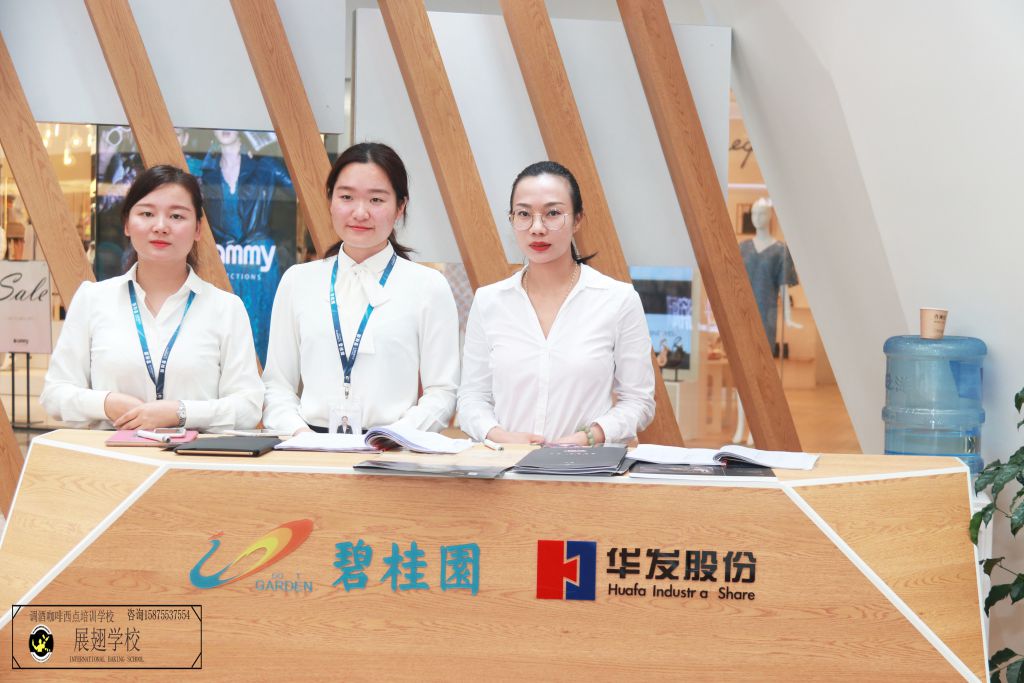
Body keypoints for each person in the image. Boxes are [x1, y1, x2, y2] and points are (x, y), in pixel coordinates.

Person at [40, 165, 264, 431]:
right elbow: (54, 395)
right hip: (110, 453)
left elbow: (248, 407)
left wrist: (181, 412)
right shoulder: (93, 299)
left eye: (176, 216)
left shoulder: (226, 308)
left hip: (196, 455)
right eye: (147, 213)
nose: (160, 227)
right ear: (127, 223)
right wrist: (107, 403)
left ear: (198, 229)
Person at [262, 142, 459, 435]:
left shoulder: (428, 286)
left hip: (393, 447)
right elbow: (276, 386)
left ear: (400, 207)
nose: (360, 212)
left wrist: (396, 436)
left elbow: (442, 391)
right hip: (309, 446)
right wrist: (300, 434)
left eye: (376, 200)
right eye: (346, 197)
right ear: (330, 201)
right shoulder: (297, 281)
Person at [457, 161, 656, 445]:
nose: (537, 228)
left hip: (585, 466)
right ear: (512, 219)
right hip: (506, 466)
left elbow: (638, 401)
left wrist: (589, 436)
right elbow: (472, 397)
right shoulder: (489, 301)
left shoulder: (618, 299)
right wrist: (501, 437)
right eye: (524, 214)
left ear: (577, 220)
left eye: (552, 213)